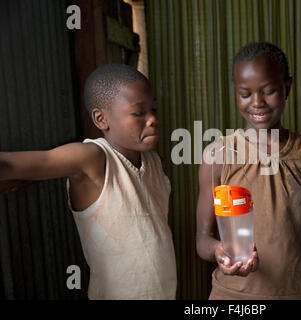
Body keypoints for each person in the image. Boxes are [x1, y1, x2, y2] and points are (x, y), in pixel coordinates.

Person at [0, 64, 177, 300]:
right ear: (101, 119)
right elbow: (16, 164)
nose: (153, 119)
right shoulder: (93, 158)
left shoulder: (153, 162)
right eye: (139, 113)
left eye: (154, 109)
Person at [196, 42, 301, 300]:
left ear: (287, 87)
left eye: (269, 91)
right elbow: (202, 239)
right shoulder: (218, 156)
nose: (257, 102)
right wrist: (219, 251)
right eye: (245, 94)